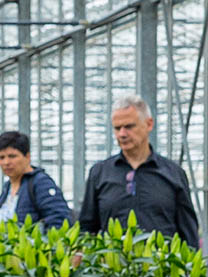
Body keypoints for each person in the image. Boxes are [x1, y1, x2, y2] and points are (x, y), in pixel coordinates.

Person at [78, 95, 199, 245]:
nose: (122, 134)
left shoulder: (173, 174)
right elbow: (87, 228)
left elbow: (188, 231)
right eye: (117, 128)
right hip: (114, 266)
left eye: (129, 126)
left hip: (161, 265)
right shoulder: (100, 173)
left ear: (149, 124)